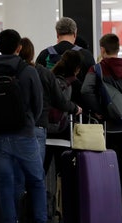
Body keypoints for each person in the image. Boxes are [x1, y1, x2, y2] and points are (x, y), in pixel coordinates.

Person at [0, 29, 59, 223]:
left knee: (5, 185)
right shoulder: (27, 71)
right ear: (19, 47)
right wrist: (27, 121)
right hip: (25, 135)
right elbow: (38, 104)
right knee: (35, 181)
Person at [81, 33, 122, 221]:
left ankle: (111, 204)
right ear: (118, 49)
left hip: (108, 126)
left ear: (103, 50)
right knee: (120, 164)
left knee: (107, 166)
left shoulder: (97, 68)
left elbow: (85, 90)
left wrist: (99, 111)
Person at [19, 37, 82, 166]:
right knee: (40, 173)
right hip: (53, 130)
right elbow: (60, 101)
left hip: (17, 128)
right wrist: (75, 108)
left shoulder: (10, 72)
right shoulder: (42, 73)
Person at [35, 17, 96, 82]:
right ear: (75, 34)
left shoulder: (44, 54)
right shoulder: (86, 55)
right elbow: (93, 82)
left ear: (57, 34)